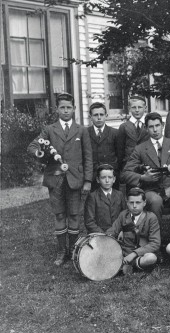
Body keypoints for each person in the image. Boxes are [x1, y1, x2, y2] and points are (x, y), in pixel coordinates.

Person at [27, 93, 93, 266]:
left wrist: (87, 181)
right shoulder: (49, 129)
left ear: (74, 109)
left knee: (73, 214)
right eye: (62, 107)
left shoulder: (81, 130)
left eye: (69, 107)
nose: (65, 111)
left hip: (75, 179)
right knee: (59, 214)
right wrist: (40, 153)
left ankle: (73, 248)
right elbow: (33, 146)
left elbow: (88, 157)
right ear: (57, 109)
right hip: (55, 179)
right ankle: (61, 250)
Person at [121, 112, 170, 242]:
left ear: (162, 125)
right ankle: (155, 243)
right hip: (151, 189)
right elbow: (125, 173)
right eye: (151, 126)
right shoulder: (140, 149)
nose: (155, 130)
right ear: (146, 128)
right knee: (155, 201)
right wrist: (142, 177)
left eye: (157, 125)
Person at [107, 187, 160, 273]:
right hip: (124, 252)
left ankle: (130, 265)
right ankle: (128, 265)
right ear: (127, 203)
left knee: (151, 258)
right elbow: (112, 231)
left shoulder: (151, 217)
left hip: (142, 253)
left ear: (144, 203)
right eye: (131, 202)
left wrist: (134, 254)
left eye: (138, 202)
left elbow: (155, 243)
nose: (134, 206)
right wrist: (104, 239)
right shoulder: (123, 215)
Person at [84, 164, 127, 234]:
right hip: (99, 235)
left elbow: (125, 216)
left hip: (118, 234)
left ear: (114, 179)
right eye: (103, 177)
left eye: (110, 177)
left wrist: (121, 230)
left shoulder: (119, 195)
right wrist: (104, 234)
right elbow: (89, 222)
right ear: (98, 180)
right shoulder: (93, 196)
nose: (107, 180)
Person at [87, 102, 120, 191]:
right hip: (93, 177)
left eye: (101, 114)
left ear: (106, 115)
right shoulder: (85, 133)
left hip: (110, 176)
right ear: (90, 117)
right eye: (95, 115)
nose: (99, 118)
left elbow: (119, 155)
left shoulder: (115, 133)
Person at [116, 95, 150, 172]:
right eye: (134, 107)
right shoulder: (124, 127)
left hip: (147, 165)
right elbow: (120, 150)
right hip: (129, 166)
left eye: (140, 107)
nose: (137, 110)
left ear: (145, 108)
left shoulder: (149, 125)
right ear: (129, 108)